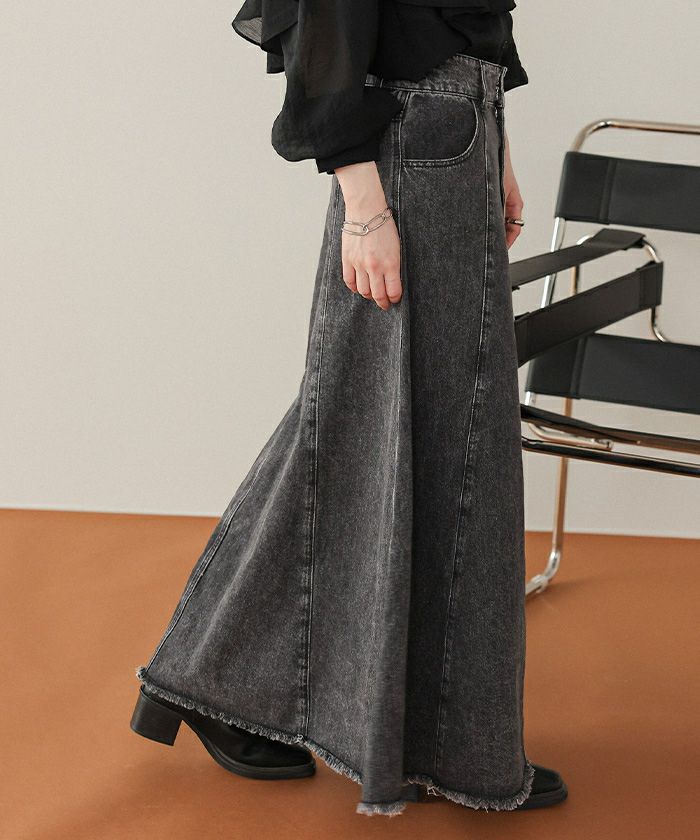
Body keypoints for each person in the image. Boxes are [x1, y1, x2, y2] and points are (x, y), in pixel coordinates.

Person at [130, 0, 568, 817]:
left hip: (457, 138)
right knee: (398, 427)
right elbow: (329, 26)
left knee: (400, 423)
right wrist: (363, 207)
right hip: (410, 156)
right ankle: (437, 742)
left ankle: (218, 681)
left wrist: (498, 150)